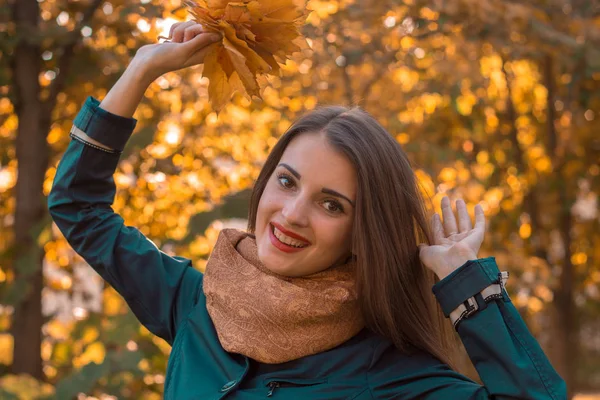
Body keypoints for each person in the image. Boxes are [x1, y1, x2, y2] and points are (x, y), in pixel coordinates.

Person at [48, 21, 566, 399]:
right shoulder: (197, 304)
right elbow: (79, 207)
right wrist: (141, 69)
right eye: (287, 181)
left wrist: (471, 291)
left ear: (362, 234)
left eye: (331, 204)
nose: (292, 214)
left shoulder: (391, 376)